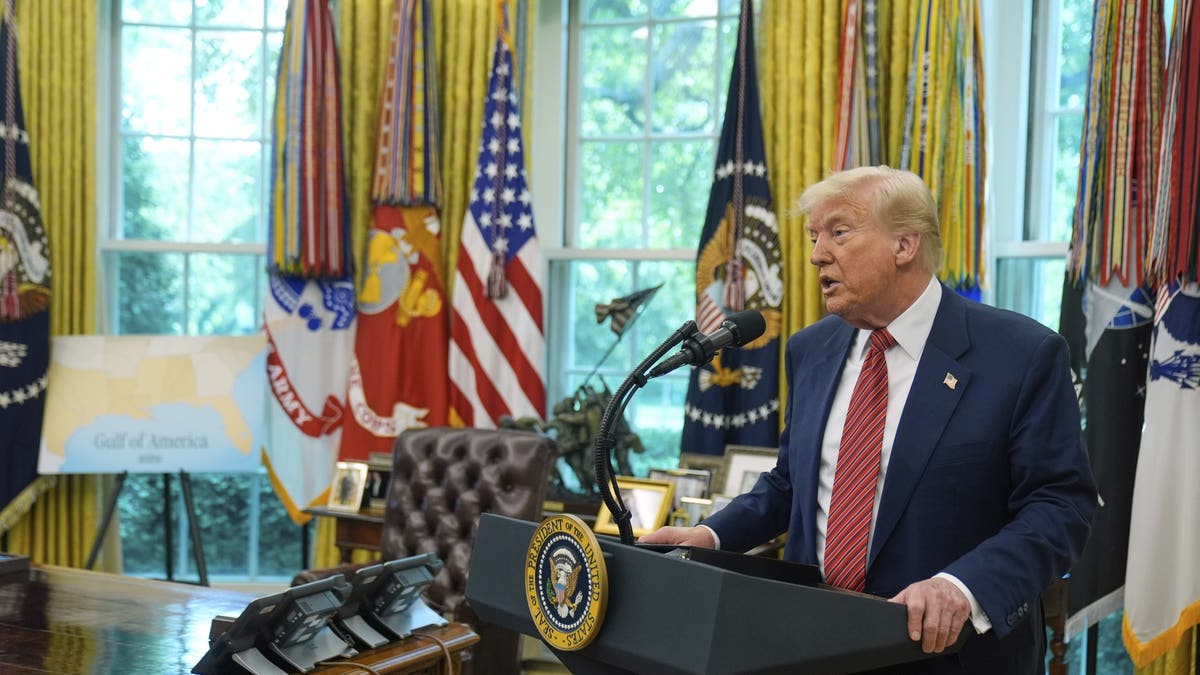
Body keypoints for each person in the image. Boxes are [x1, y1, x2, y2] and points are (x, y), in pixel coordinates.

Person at [642, 166, 1097, 674]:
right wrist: (709, 538)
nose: (817, 254)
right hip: (808, 645)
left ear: (904, 245)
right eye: (815, 237)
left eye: (839, 232)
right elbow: (791, 484)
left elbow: (1060, 507)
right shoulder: (810, 349)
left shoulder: (1020, 355)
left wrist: (962, 588)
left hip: (947, 653)